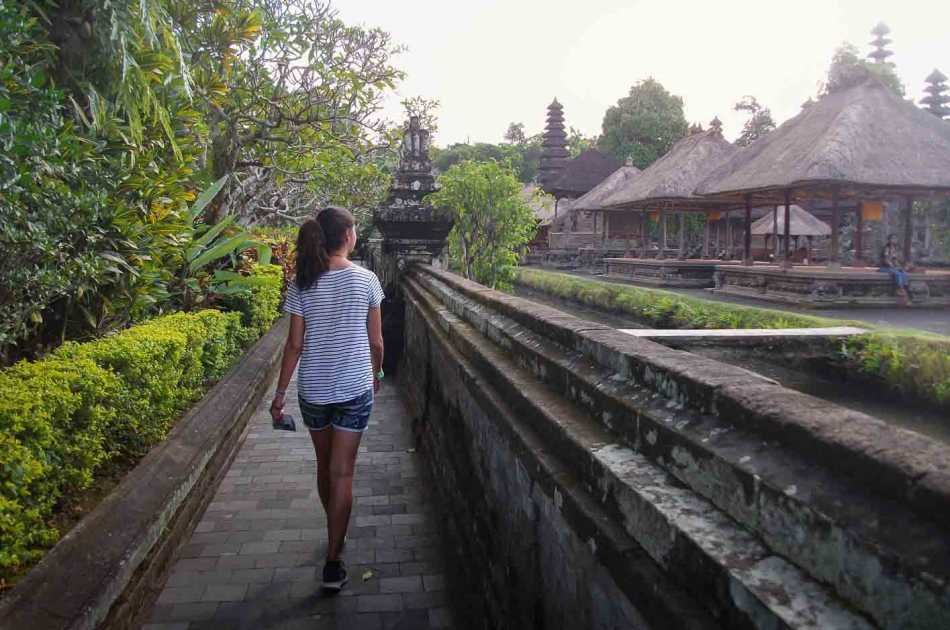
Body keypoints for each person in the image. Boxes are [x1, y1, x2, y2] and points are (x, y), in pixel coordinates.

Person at [269, 206, 385, 593]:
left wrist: (279, 394)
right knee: (343, 472)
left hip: (313, 390)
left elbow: (294, 344)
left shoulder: (303, 282)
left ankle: (334, 531)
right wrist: (377, 373)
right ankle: (333, 561)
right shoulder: (366, 280)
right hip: (354, 388)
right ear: (349, 235)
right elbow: (376, 342)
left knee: (325, 467)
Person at [879, 234, 909, 303]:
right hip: (884, 267)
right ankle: (900, 288)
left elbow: (895, 260)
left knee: (903, 273)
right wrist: (893, 267)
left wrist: (899, 267)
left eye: (895, 239)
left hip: (892, 267)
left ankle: (905, 288)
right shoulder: (886, 248)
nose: (894, 240)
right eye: (893, 239)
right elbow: (886, 260)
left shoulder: (895, 249)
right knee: (897, 273)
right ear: (889, 240)